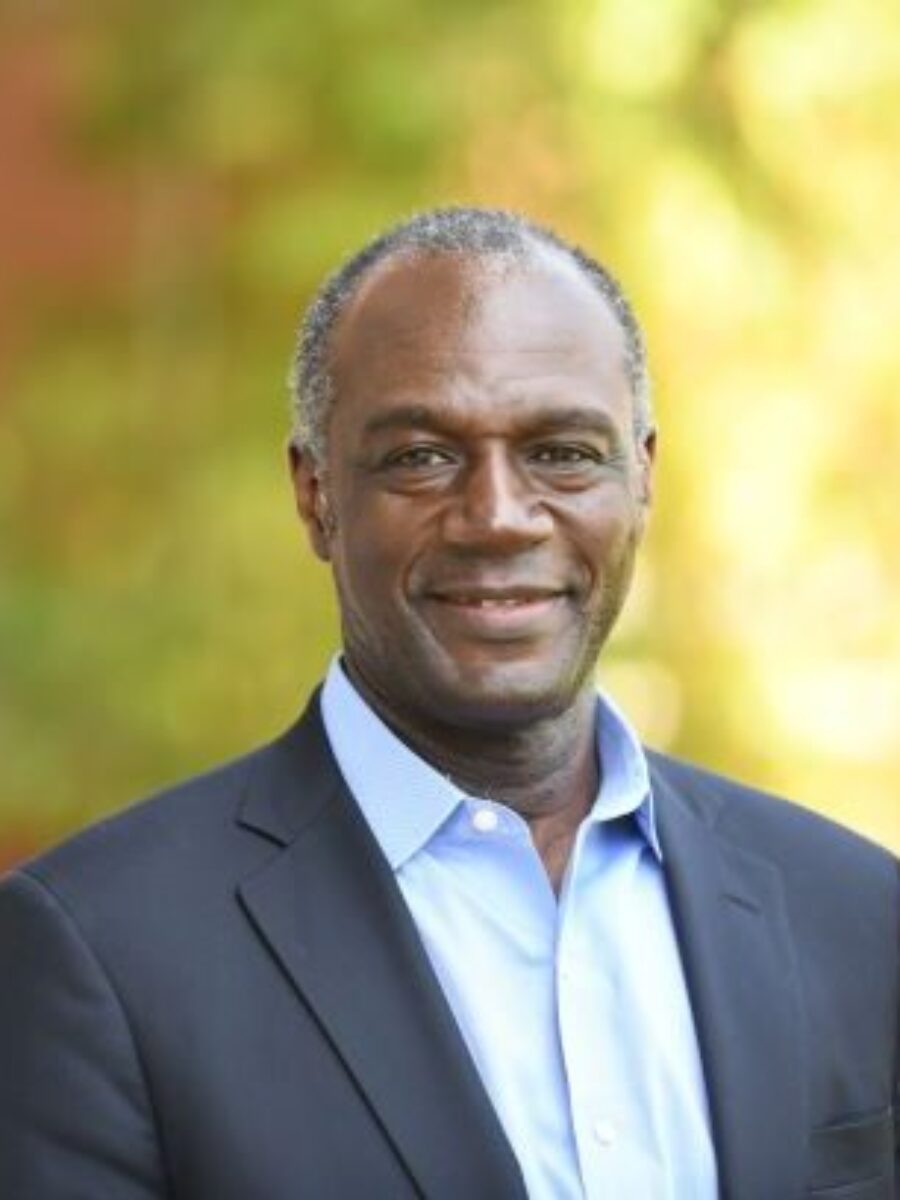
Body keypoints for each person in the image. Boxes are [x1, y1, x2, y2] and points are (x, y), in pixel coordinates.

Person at [0, 207, 896, 1199]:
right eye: (422, 457)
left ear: (642, 476)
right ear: (315, 495)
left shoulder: (859, 917)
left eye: (562, 451)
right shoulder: (100, 957)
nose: (499, 518)